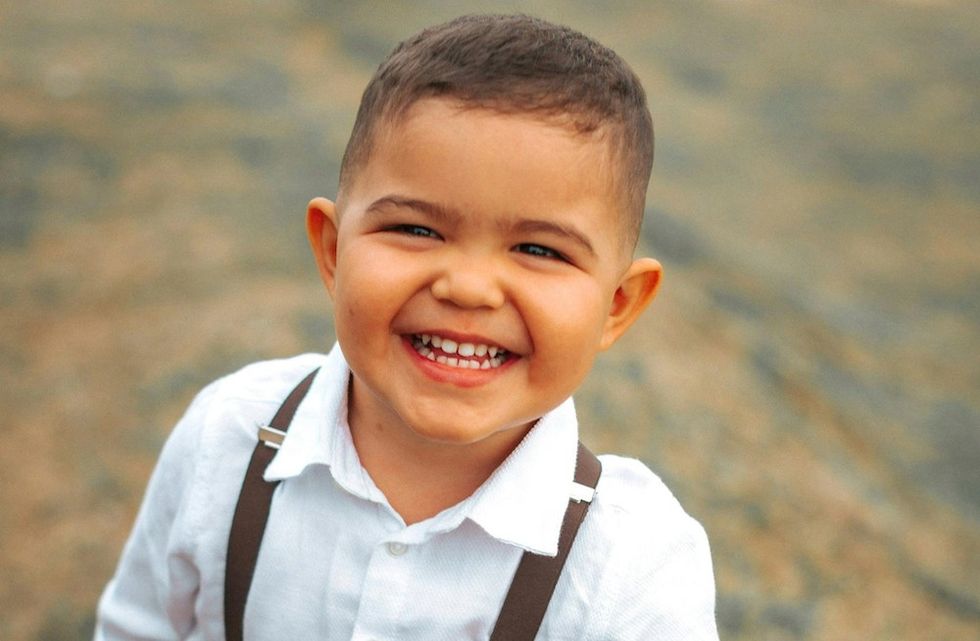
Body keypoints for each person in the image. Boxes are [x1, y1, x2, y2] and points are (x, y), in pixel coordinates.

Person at [95, 13, 718, 641]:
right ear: (334, 252)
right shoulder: (227, 438)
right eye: (417, 230)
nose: (468, 288)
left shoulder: (634, 570)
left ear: (618, 305)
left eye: (539, 249)